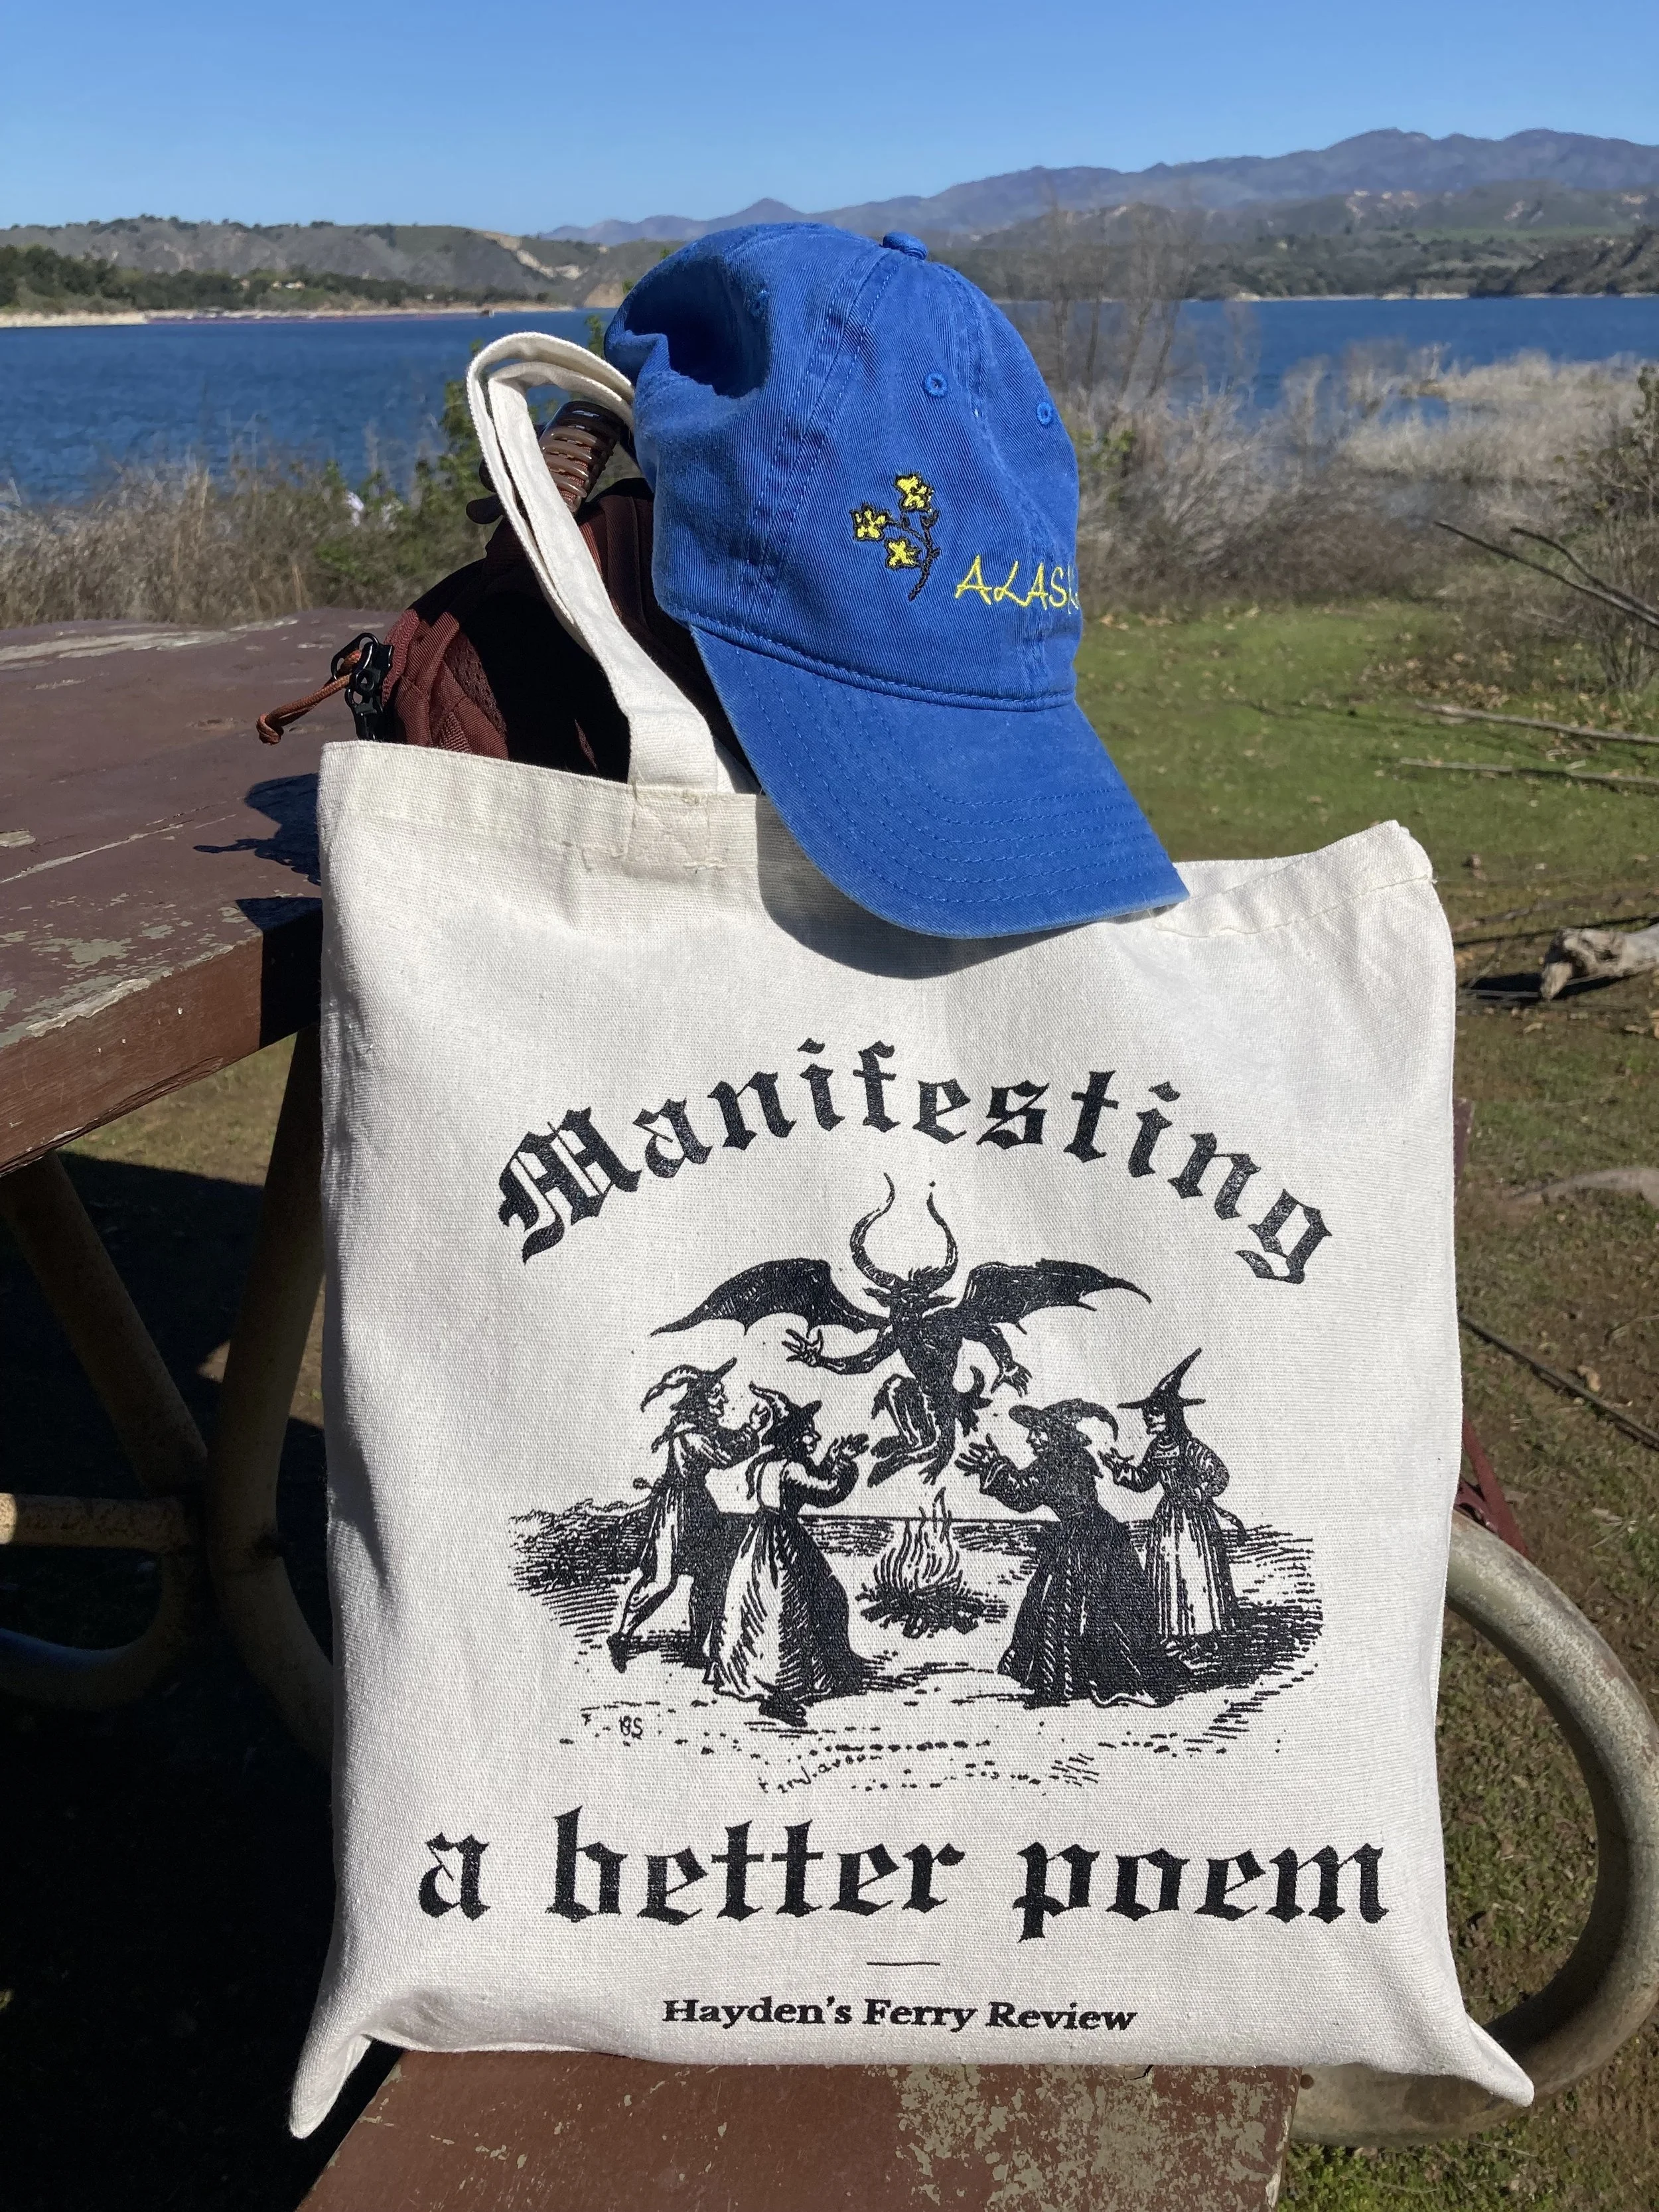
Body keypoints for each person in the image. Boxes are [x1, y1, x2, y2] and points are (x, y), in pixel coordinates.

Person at [960, 1400, 1184, 1708]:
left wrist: (995, 1467)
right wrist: (997, 1467)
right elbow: (1027, 1488)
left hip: (1087, 1540)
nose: (1030, 1439)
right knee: (1090, 1607)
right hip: (1098, 1534)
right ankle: (1100, 1678)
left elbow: (1024, 1493)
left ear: (1055, 1435)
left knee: (1085, 1609)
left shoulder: (1057, 1464)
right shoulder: (1069, 1460)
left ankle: (1113, 1680)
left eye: (1037, 1432)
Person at [705, 1386, 866, 1727]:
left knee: (758, 1610)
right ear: (793, 1434)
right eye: (809, 1432)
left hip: (761, 1540)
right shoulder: (790, 1468)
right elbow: (827, 1491)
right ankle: (781, 1693)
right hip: (783, 1544)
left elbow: (813, 1479)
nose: (815, 1437)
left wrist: (832, 1459)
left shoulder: (768, 1463)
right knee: (785, 1613)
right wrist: (845, 1462)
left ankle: (759, 1677)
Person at [608, 1359, 755, 1672]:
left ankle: (696, 1646)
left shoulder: (703, 1429)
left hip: (698, 1507)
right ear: (700, 1400)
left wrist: (749, 1431)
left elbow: (726, 1441)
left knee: (711, 1575)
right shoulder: (689, 1435)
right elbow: (725, 1454)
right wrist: (753, 1430)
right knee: (662, 1580)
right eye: (717, 1395)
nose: (724, 1400)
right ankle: (621, 1638)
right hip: (676, 1511)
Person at [1112, 1351, 1240, 1644]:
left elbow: (1220, 1475)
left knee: (1194, 1571)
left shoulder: (1190, 1448)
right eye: (1148, 1414)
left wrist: (1199, 1493)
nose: (1149, 1419)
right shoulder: (1156, 1449)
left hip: (1194, 1523)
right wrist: (1121, 1469)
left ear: (1170, 1414)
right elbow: (1144, 1480)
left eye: (1154, 1413)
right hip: (1167, 1519)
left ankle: (1203, 1633)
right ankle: (1172, 1632)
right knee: (1168, 1572)